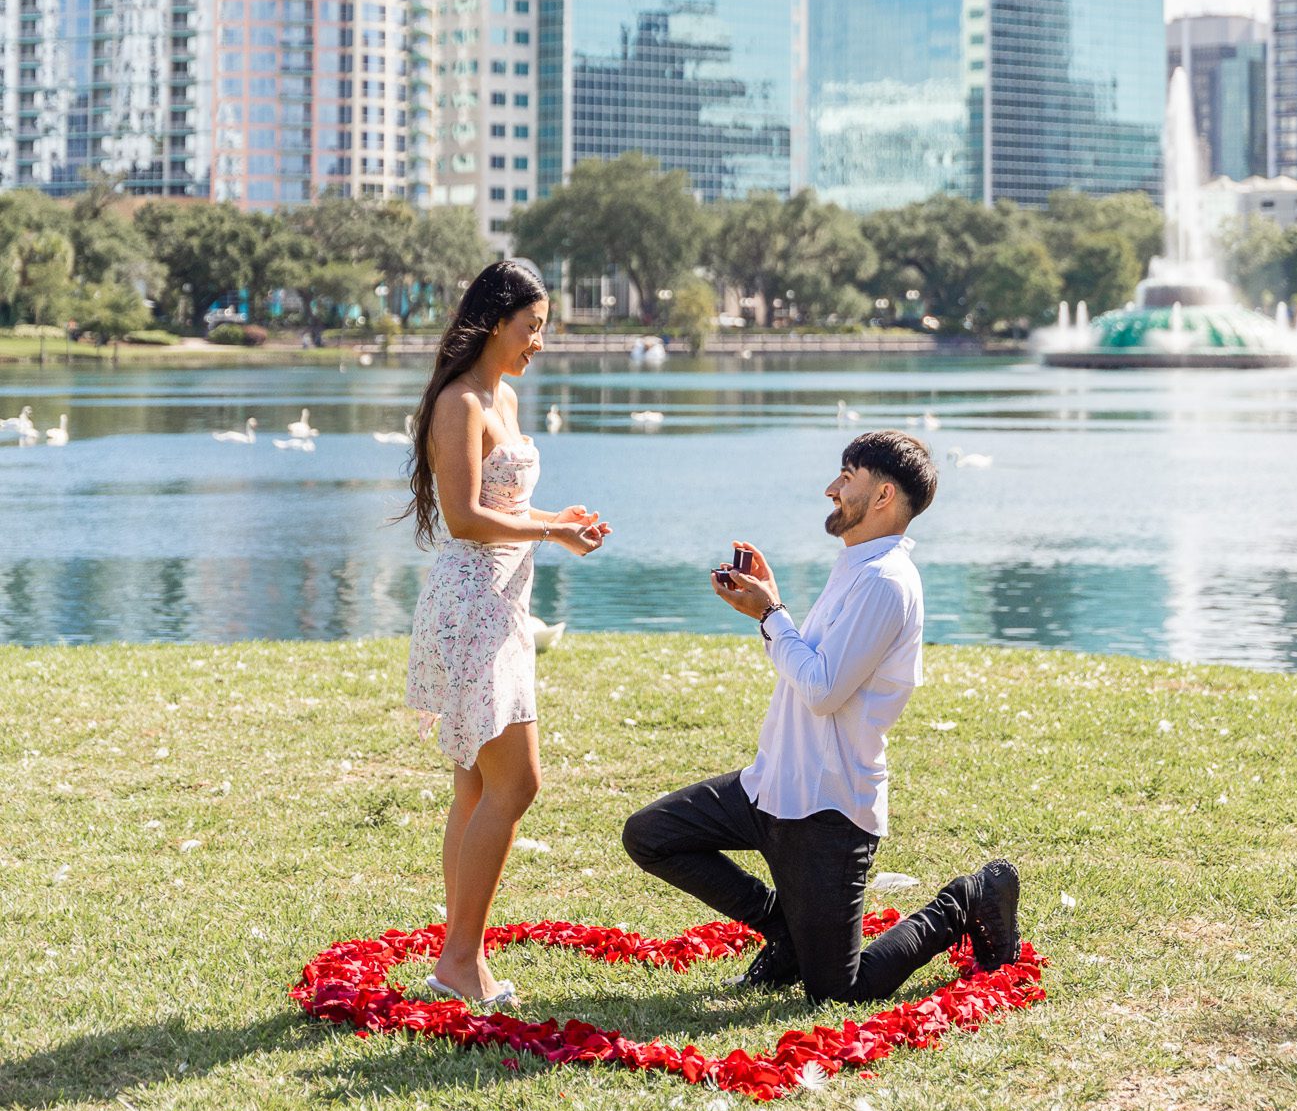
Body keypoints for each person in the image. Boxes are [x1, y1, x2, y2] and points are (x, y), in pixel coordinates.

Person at [622, 429, 1020, 1004]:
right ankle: (787, 935)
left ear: (883, 495)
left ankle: (967, 899)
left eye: (846, 477)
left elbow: (823, 690)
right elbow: (809, 665)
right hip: (773, 784)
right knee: (650, 836)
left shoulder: (885, 581)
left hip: (828, 806)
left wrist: (772, 611)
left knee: (838, 991)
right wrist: (769, 607)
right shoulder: (856, 566)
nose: (831, 488)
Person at [404, 260, 611, 1006]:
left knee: (476, 785)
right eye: (533, 327)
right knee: (515, 783)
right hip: (470, 605)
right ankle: (459, 960)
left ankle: (462, 959)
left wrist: (562, 526)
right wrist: (552, 530)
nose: (540, 342)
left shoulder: (507, 396)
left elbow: (507, 501)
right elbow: (463, 518)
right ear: (496, 322)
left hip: (504, 604)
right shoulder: (460, 402)